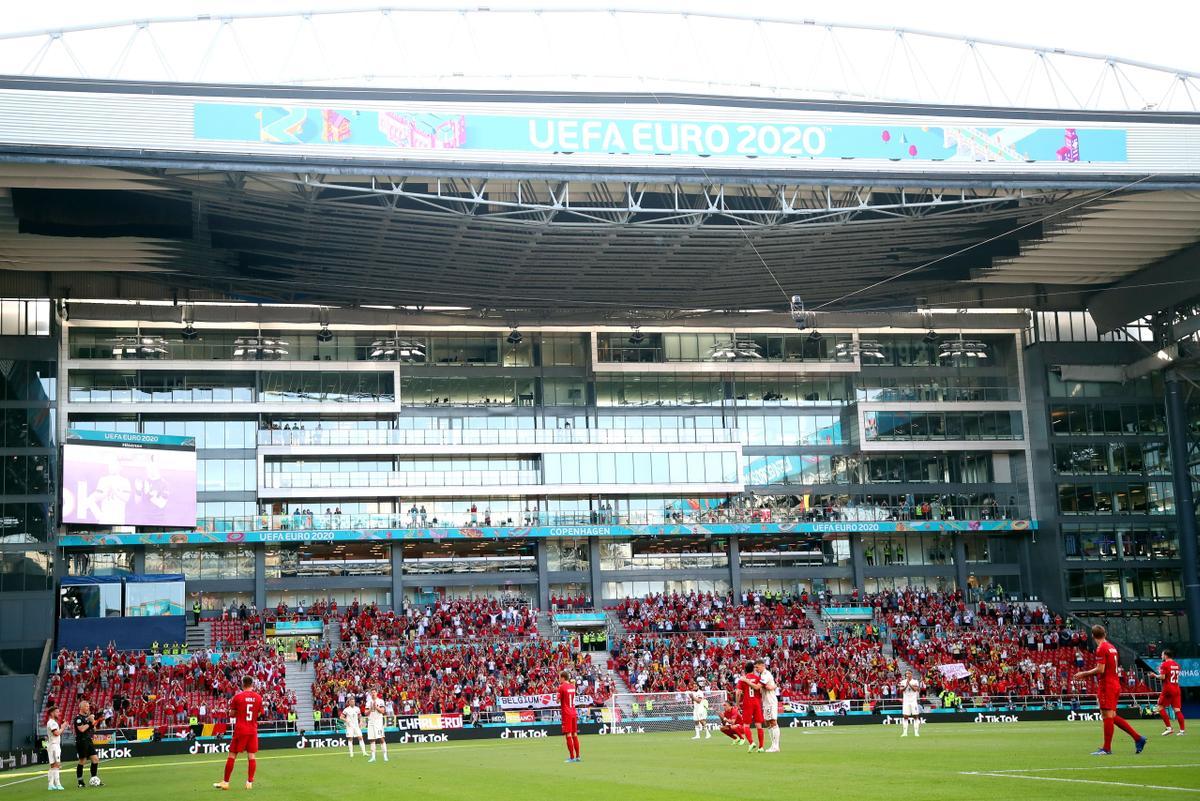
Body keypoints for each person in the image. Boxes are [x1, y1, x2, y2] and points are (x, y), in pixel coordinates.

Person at [1072, 624, 1146, 756]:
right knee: (1111, 715)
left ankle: (1106, 748)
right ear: (1105, 634)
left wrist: (1084, 673)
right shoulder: (1112, 647)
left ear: (1092, 636)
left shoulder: (1101, 648)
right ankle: (1138, 738)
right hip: (1115, 683)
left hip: (1107, 685)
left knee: (1107, 715)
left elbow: (1101, 669)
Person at [214, 676, 263, 791]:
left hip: (240, 730)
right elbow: (259, 713)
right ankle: (249, 782)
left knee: (232, 755)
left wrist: (240, 713)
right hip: (252, 730)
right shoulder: (258, 697)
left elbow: (231, 714)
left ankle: (226, 782)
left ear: (242, 684)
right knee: (251, 756)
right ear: (252, 684)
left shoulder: (238, 697)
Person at [1156, 648, 1186, 736]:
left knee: (1160, 707)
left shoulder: (1164, 664)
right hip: (1176, 688)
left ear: (1165, 655)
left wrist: (1155, 675)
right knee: (1177, 710)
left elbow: (1162, 677)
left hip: (1168, 689)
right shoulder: (1177, 665)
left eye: (1162, 654)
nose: (1161, 656)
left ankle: (1169, 728)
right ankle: (1182, 731)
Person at [736, 661, 764, 753]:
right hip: (757, 702)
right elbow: (761, 691)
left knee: (746, 725)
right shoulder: (758, 678)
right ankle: (761, 747)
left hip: (747, 702)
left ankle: (751, 743)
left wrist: (737, 704)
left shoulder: (742, 679)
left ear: (745, 669)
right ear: (753, 669)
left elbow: (738, 693)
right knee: (759, 725)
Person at [73, 700, 102, 788]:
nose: (88, 708)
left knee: (95, 759)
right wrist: (89, 721)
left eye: (88, 707)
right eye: (86, 706)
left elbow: (94, 729)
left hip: (88, 740)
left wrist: (93, 721)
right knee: (83, 760)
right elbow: (81, 729)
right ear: (81, 707)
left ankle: (94, 779)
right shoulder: (78, 718)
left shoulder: (87, 717)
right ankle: (80, 781)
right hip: (81, 741)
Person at [756, 658, 781, 752]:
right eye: (755, 668)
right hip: (765, 701)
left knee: (773, 721)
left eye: (757, 667)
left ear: (763, 665)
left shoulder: (766, 674)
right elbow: (765, 687)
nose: (756, 669)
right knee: (767, 722)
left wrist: (748, 681)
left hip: (770, 701)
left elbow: (760, 686)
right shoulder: (761, 675)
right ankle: (773, 745)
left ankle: (776, 746)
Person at [558, 670, 580, 763]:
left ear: (563, 678)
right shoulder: (572, 686)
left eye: (559, 677)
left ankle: (572, 757)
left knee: (568, 734)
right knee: (575, 734)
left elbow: (557, 700)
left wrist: (558, 695)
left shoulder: (561, 687)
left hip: (566, 713)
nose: (559, 679)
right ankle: (578, 756)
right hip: (573, 712)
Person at [366, 689, 388, 763]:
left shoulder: (380, 701)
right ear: (370, 694)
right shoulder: (368, 702)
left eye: (374, 692)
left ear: (377, 693)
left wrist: (376, 707)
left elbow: (383, 711)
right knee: (372, 739)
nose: (373, 694)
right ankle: (373, 757)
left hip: (378, 722)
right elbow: (366, 713)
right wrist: (370, 709)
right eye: (372, 692)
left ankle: (385, 756)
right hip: (371, 722)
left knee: (381, 738)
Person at [900, 669, 923, 738]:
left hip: (913, 701)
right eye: (906, 674)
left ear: (911, 674)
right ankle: (905, 733)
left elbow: (915, 689)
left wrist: (909, 684)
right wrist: (906, 685)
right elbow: (901, 690)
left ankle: (916, 732)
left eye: (909, 673)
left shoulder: (915, 681)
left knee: (915, 716)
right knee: (905, 716)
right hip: (906, 701)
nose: (907, 675)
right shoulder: (903, 682)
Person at [45, 705, 64, 791]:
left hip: (51, 745)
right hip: (54, 745)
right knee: (57, 765)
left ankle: (51, 785)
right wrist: (63, 728)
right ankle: (58, 784)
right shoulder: (52, 723)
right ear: (52, 713)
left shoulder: (50, 722)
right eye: (57, 712)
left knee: (53, 765)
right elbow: (56, 733)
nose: (58, 713)